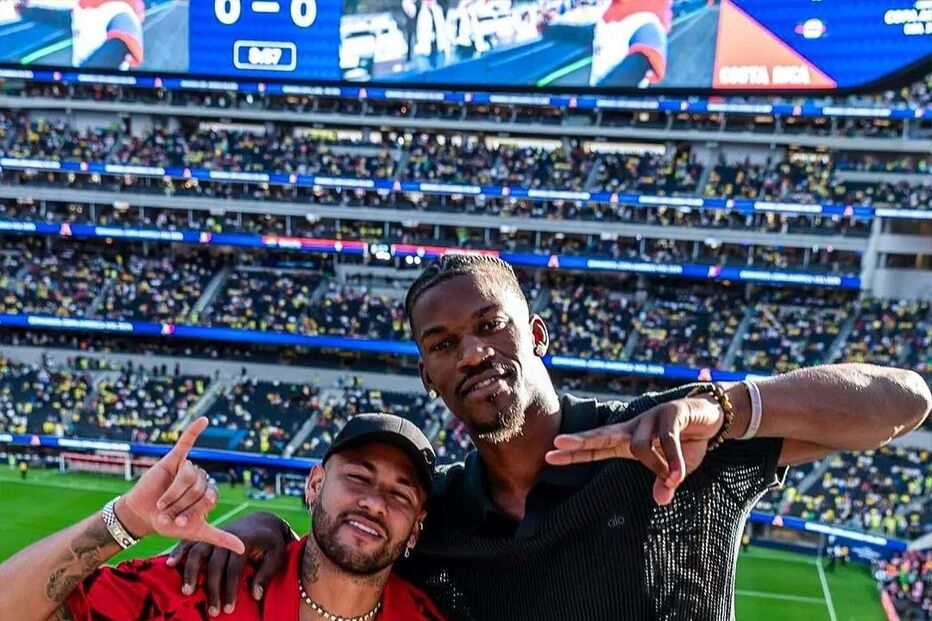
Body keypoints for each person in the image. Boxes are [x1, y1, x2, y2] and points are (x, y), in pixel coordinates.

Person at [173, 256, 931, 620]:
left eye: (490, 326)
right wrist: (262, 523)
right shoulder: (434, 512)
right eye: (442, 343)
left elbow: (903, 402)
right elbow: (344, 538)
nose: (470, 351)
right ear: (429, 375)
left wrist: (727, 409)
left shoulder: (662, 442)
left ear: (536, 334)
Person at [0, 414, 446, 621]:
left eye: (400, 493)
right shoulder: (198, 587)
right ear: (314, 485)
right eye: (358, 477)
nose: (374, 501)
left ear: (416, 529)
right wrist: (128, 518)